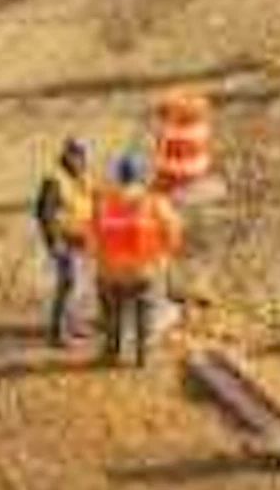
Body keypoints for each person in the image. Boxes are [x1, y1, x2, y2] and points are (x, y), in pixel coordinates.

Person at [88, 157, 176, 369]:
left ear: (119, 177)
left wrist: (101, 263)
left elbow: (91, 238)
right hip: (142, 272)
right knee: (146, 308)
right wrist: (162, 257)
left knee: (111, 311)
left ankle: (111, 352)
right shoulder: (154, 201)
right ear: (140, 177)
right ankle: (142, 356)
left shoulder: (105, 201)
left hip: (110, 274)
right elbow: (172, 231)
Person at [32, 139, 94, 347]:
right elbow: (44, 214)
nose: (82, 160)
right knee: (67, 284)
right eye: (77, 155)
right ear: (67, 155)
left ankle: (74, 324)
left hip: (81, 240)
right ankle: (58, 334)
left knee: (80, 285)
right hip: (64, 240)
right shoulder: (54, 180)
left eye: (83, 155)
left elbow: (89, 202)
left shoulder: (82, 176)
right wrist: (53, 242)